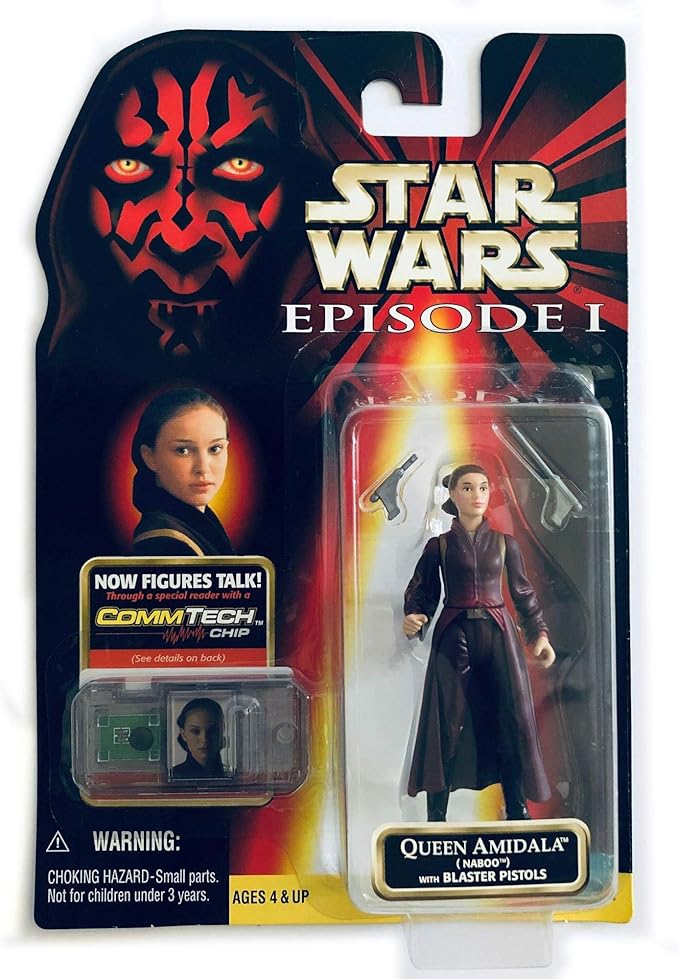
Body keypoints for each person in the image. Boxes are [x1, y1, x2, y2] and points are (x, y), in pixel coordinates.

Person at [402, 464, 556, 821]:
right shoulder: (439, 546)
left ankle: (517, 808)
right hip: (453, 633)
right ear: (453, 495)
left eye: (483, 488)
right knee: (445, 723)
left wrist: (539, 634)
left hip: (499, 633)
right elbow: (423, 591)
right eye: (468, 488)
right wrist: (414, 616)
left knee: (510, 719)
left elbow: (523, 594)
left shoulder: (505, 544)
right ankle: (436, 816)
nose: (477, 495)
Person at [131, 388, 234, 556]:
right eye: (183, 450)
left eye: (215, 448)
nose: (203, 467)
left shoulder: (196, 524)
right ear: (149, 457)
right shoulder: (164, 542)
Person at [172, 698, 226, 779]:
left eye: (212, 730)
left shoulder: (233, 775)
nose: (204, 739)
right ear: (183, 734)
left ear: (222, 730)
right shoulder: (172, 776)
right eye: (195, 731)